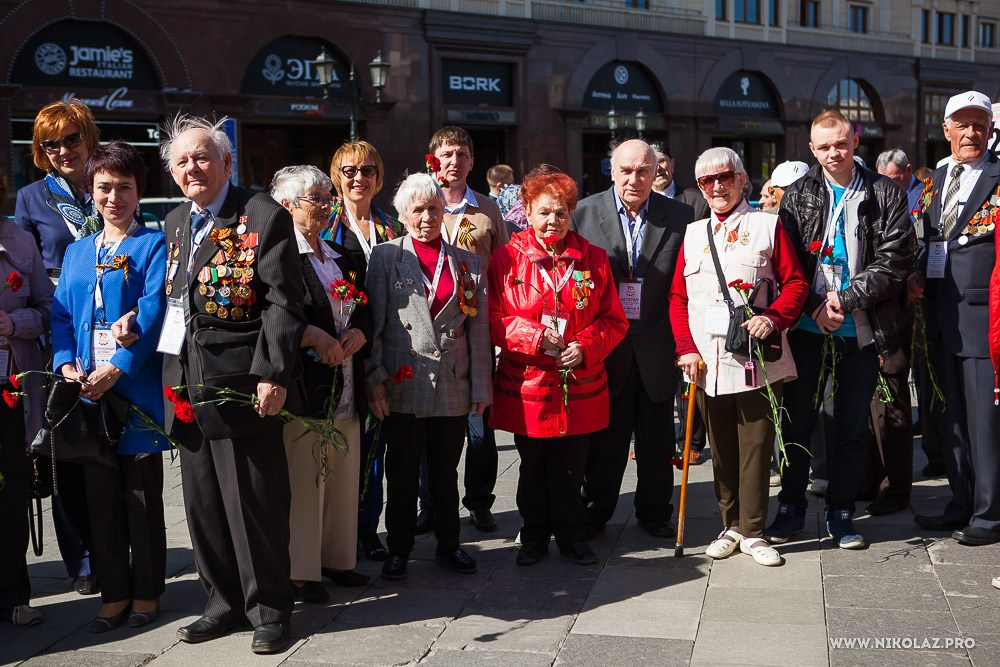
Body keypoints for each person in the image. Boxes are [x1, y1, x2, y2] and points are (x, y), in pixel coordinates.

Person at [159, 114, 305, 654]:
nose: (192, 168)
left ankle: (268, 609)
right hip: (187, 383)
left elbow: (284, 302)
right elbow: (177, 300)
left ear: (226, 162)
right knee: (202, 502)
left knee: (255, 498)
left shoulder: (262, 215)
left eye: (202, 157)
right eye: (182, 161)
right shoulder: (175, 220)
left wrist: (272, 373)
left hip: (243, 380)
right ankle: (221, 601)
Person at [766, 110, 912, 549]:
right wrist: (813, 305)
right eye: (825, 146)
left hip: (862, 331)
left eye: (842, 144)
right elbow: (784, 261)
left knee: (851, 427)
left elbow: (895, 260)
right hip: (809, 329)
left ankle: (841, 511)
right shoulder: (799, 194)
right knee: (799, 422)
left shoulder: (884, 192)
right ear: (811, 149)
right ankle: (790, 507)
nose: (834, 152)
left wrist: (844, 300)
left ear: (855, 142)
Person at [50, 141, 169, 632]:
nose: (113, 197)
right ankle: (113, 592)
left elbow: (156, 308)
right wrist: (64, 365)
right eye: (104, 188)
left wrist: (119, 365)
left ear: (139, 191)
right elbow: (60, 315)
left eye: (124, 187)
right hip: (87, 394)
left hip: (134, 389)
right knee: (101, 499)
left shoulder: (153, 244)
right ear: (90, 192)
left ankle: (146, 593)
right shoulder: (77, 251)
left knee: (141, 497)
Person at [669, 147, 807, 567]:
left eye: (724, 178)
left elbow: (796, 283)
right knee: (722, 447)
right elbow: (678, 297)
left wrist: (775, 318)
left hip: (757, 359)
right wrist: (686, 349)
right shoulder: (693, 234)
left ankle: (754, 531)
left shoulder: (768, 225)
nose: (716, 187)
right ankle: (730, 525)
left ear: (742, 179)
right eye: (707, 182)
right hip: (707, 361)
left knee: (757, 446)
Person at [488, 169, 628, 565]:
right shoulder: (506, 258)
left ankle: (571, 534)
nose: (554, 222)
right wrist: (532, 336)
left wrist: (585, 347)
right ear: (527, 211)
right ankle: (533, 535)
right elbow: (493, 318)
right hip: (528, 384)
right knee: (532, 465)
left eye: (562, 213)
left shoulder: (594, 259)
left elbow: (613, 321)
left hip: (579, 381)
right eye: (545, 212)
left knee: (572, 465)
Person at [365, 172, 492, 581]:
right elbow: (375, 325)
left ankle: (449, 544)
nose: (426, 217)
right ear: (402, 215)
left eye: (434, 208)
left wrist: (481, 387)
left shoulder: (467, 261)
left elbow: (480, 329)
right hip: (403, 382)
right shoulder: (386, 257)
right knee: (401, 472)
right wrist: (375, 380)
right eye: (417, 210)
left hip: (453, 383)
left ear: (444, 212)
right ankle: (399, 547)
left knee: (445, 471)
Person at [572, 139, 694, 539]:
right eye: (626, 170)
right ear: (612, 170)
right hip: (606, 347)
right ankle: (596, 509)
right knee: (606, 438)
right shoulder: (585, 213)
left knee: (657, 438)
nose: (635, 179)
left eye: (644, 170)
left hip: (657, 343)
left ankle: (655, 511)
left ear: (656, 170)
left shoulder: (679, 215)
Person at [271, 166, 373, 602]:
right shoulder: (280, 259)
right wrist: (317, 338)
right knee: (307, 477)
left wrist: (359, 333)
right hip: (307, 386)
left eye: (328, 195)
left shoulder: (340, 254)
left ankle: (338, 560)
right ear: (287, 206)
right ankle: (300, 572)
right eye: (316, 197)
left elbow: (365, 305)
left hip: (347, 381)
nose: (327, 203)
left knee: (343, 473)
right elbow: (279, 320)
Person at [13, 99, 101, 596]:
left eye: (71, 138)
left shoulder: (109, 183)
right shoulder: (31, 198)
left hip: (110, 328)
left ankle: (119, 543)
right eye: (52, 143)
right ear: (41, 152)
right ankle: (83, 558)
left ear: (88, 137)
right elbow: (23, 275)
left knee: (112, 439)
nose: (63, 150)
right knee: (63, 446)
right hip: (58, 332)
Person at [911, 91, 1000, 546]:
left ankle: (989, 514)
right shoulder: (938, 176)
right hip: (938, 316)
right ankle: (960, 503)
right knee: (951, 423)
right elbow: (928, 235)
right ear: (945, 130)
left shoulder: (999, 177)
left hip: (981, 317)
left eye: (979, 124)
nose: (971, 133)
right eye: (962, 124)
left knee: (984, 423)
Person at [321, 140, 403, 561]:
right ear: (337, 177)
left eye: (367, 170)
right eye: (349, 170)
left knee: (375, 447)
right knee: (339, 446)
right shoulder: (324, 227)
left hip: (383, 350)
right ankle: (336, 532)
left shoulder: (393, 227)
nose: (358, 178)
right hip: (335, 351)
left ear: (378, 177)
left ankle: (367, 530)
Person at [425, 127, 508, 534]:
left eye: (461, 154)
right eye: (446, 154)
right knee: (429, 421)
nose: (453, 161)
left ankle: (479, 499)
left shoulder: (487, 209)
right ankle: (430, 504)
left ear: (472, 161)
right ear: (433, 159)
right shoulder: (422, 204)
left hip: (476, 330)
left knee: (479, 422)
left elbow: (504, 267)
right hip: (428, 331)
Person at [0, 166, 55, 627]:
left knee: (14, 489)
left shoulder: (19, 240)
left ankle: (16, 593)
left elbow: (45, 309)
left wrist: (13, 325)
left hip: (11, 387)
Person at [649, 141, 709, 220]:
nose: (658, 168)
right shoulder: (639, 202)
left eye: (661, 161)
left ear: (672, 164)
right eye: (652, 163)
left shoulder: (697, 202)